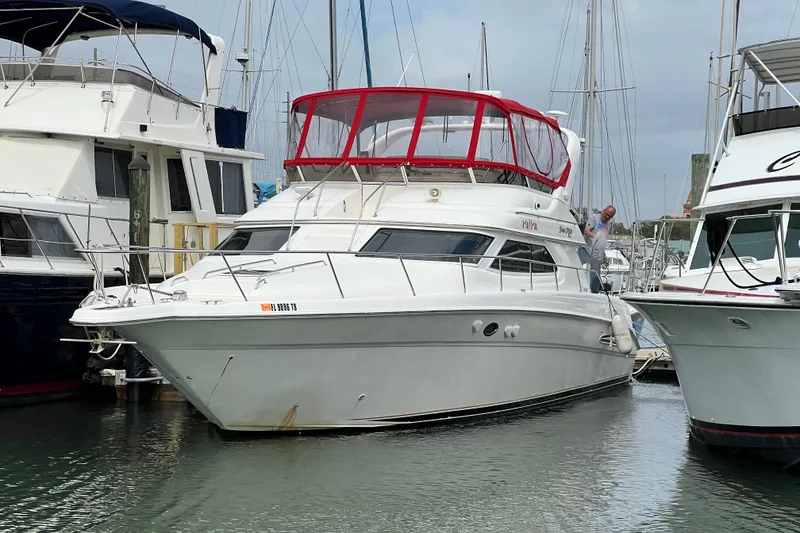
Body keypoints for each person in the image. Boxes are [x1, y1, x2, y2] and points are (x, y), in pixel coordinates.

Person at [583, 205, 616, 293]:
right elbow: (586, 231)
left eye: (610, 216)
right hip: (586, 250)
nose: (607, 217)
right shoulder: (594, 218)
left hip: (596, 254)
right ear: (603, 210)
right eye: (606, 214)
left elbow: (604, 239)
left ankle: (594, 294)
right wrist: (596, 236)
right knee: (578, 268)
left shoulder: (608, 225)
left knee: (595, 276)